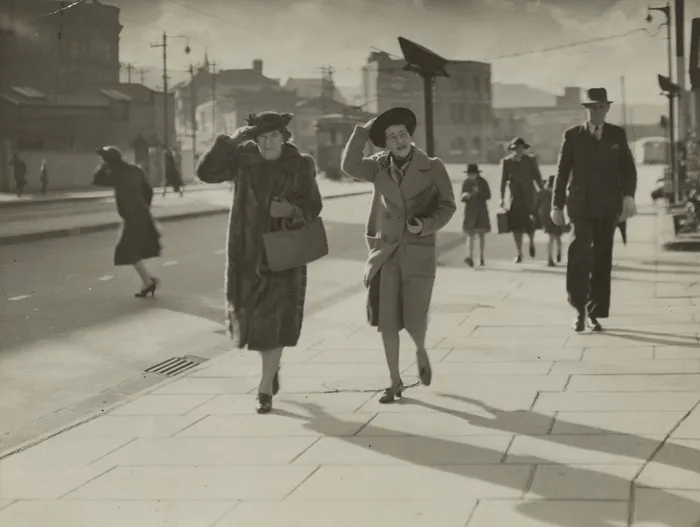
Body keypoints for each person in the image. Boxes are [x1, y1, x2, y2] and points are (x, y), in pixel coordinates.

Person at [196, 111, 322, 414]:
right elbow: (206, 173)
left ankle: (264, 388)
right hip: (247, 253)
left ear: (284, 138)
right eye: (261, 137)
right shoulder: (242, 161)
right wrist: (232, 140)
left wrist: (291, 208)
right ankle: (272, 366)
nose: (267, 143)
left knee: (275, 318)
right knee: (255, 321)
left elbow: (313, 205)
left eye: (273, 136)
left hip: (282, 253)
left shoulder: (300, 164)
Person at [341, 106, 456, 404]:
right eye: (391, 137)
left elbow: (447, 206)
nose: (399, 140)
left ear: (410, 135)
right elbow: (349, 165)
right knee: (387, 321)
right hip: (386, 252)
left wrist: (426, 226)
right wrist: (363, 133)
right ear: (385, 143)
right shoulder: (377, 165)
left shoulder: (433, 166)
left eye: (402, 134)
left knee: (415, 317)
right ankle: (394, 381)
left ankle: (419, 349)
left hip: (418, 250)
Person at [551, 87, 637, 332]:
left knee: (602, 259)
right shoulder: (572, 135)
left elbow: (628, 169)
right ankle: (578, 309)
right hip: (580, 206)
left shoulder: (616, 135)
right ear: (586, 109)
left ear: (608, 108)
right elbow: (562, 172)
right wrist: (556, 205)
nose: (598, 111)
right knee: (579, 256)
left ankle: (594, 312)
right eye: (593, 107)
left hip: (608, 207)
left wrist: (629, 195)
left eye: (602, 106)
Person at [93, 146, 161, 297]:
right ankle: (148, 279)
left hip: (132, 216)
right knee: (131, 249)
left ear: (109, 161)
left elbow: (96, 180)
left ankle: (148, 282)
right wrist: (144, 205)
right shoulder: (136, 170)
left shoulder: (116, 173)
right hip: (141, 213)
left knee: (127, 250)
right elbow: (148, 190)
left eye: (104, 159)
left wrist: (103, 166)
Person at [500, 137, 544, 263]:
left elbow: (537, 176)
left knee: (530, 224)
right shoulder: (507, 162)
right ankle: (519, 252)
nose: (519, 151)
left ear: (524, 149)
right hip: (515, 198)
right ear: (513, 149)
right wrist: (501, 198)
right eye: (516, 148)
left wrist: (542, 191)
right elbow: (503, 181)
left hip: (529, 196)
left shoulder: (530, 160)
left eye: (521, 148)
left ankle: (531, 241)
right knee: (516, 227)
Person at [460, 163, 491, 267]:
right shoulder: (466, 183)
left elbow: (488, 195)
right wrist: (465, 196)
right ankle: (470, 257)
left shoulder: (483, 182)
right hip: (470, 211)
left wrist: (479, 192)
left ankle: (482, 257)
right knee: (470, 234)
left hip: (481, 210)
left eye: (473, 174)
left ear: (477, 174)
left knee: (481, 234)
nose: (471, 176)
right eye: (469, 174)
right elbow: (462, 196)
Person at [535, 175, 564, 267]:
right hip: (558, 216)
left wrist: (534, 214)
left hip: (546, 217)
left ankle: (550, 258)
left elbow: (536, 205)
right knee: (558, 236)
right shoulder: (559, 192)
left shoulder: (542, 193)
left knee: (551, 238)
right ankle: (559, 252)